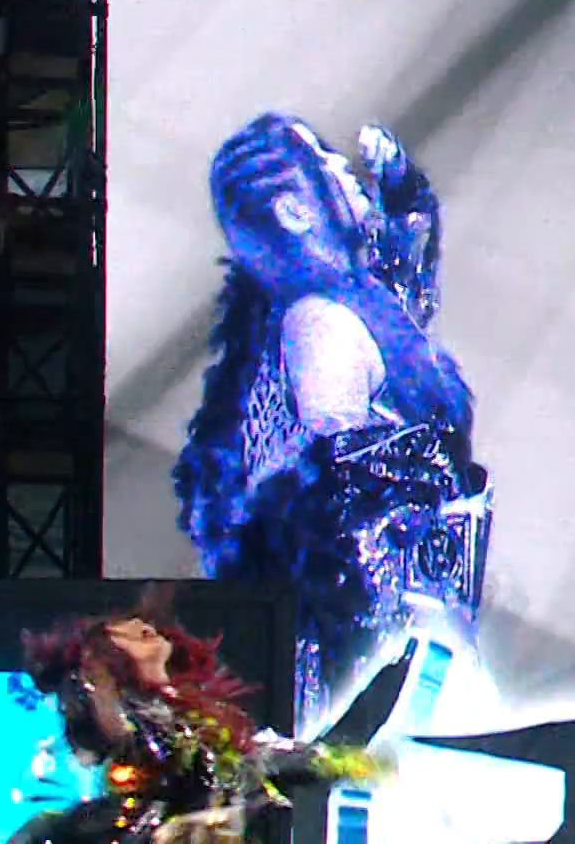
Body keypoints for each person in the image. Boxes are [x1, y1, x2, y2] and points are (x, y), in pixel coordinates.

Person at [172, 113, 489, 737]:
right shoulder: (319, 325)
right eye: (326, 161)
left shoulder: (329, 311)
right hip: (377, 666)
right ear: (295, 210)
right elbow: (340, 508)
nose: (345, 171)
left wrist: (405, 197)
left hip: (392, 654)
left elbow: (403, 295)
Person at [6, 586, 388, 844]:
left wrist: (344, 763)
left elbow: (252, 762)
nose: (140, 626)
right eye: (122, 632)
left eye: (140, 623)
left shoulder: (192, 718)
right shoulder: (121, 713)